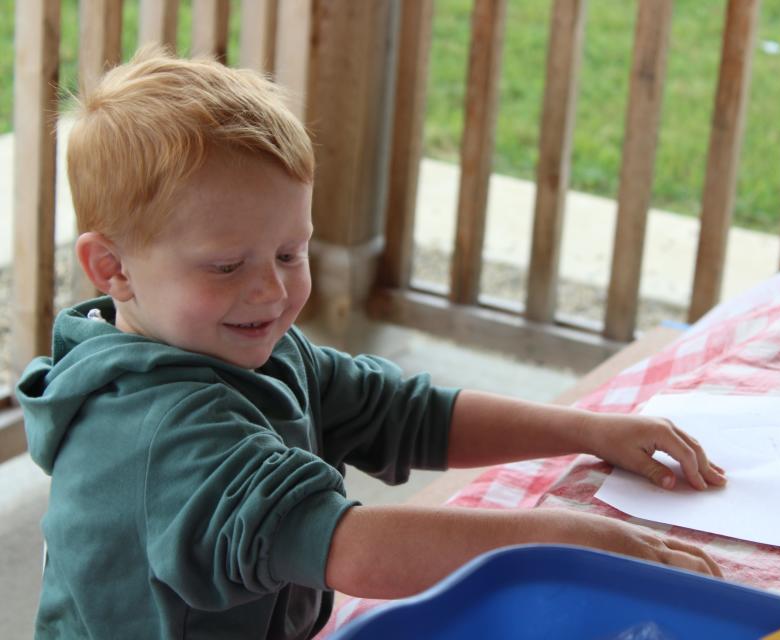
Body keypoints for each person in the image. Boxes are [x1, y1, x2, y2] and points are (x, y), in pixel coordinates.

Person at [16, 47, 726, 640]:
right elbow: (350, 550)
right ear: (112, 269)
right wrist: (563, 540)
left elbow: (405, 414)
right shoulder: (154, 432)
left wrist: (588, 431)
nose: (271, 291)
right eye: (227, 265)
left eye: (291, 253)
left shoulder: (244, 345)